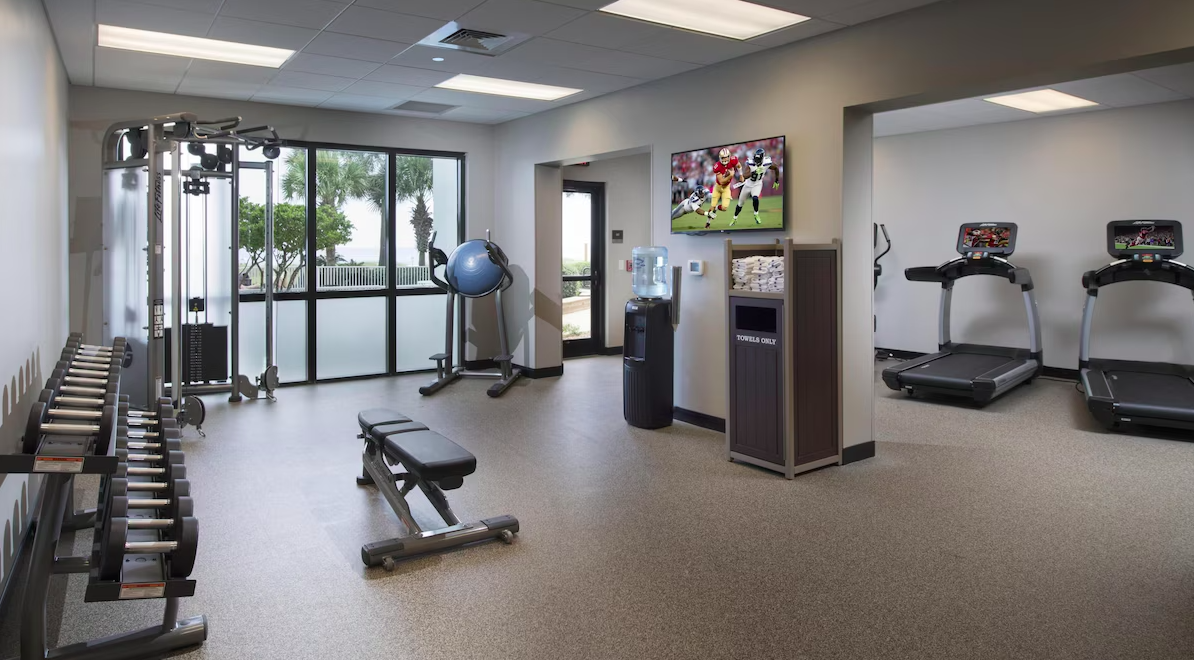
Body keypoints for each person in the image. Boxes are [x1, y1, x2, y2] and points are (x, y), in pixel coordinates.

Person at [731, 147, 780, 226]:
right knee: (740, 204)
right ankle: (734, 218)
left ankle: (756, 214)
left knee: (755, 198)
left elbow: (776, 168)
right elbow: (744, 176)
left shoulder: (766, 162)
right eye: (755, 159)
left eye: (758, 160)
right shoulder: (750, 162)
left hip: (757, 184)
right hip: (748, 184)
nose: (756, 161)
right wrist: (753, 173)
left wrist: (776, 180)